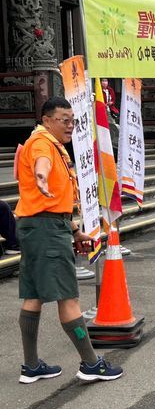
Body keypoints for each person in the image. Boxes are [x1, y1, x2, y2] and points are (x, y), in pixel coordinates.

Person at [15, 97, 122, 384]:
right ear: (47, 119)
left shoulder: (52, 143)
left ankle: (31, 365)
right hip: (45, 230)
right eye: (65, 119)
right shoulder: (42, 143)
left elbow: (56, 201)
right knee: (68, 297)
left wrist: (73, 230)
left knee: (34, 295)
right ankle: (90, 364)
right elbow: (42, 165)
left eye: (72, 120)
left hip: (42, 226)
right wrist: (41, 176)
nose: (70, 125)